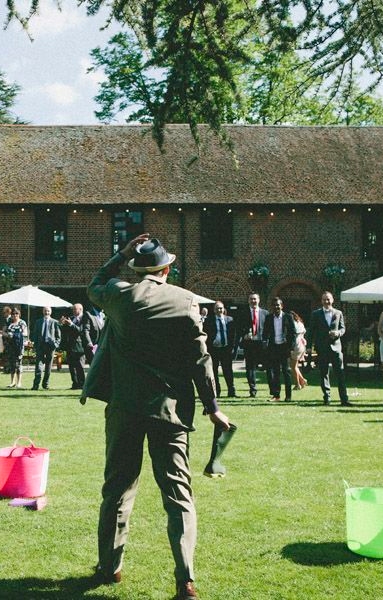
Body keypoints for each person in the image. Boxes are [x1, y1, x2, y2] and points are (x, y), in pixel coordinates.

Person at [81, 234, 230, 600]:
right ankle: (186, 580)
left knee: (117, 489)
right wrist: (212, 407)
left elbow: (94, 284)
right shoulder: (186, 302)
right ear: (168, 269)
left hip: (125, 407)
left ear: (136, 269)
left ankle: (110, 567)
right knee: (179, 496)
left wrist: (121, 252)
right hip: (170, 411)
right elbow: (201, 360)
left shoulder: (119, 296)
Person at [305, 291, 351, 406]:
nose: (326, 301)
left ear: (332, 300)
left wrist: (338, 333)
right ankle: (327, 398)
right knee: (324, 373)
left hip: (336, 348)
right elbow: (311, 331)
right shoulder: (316, 314)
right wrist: (309, 346)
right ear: (321, 301)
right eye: (324, 299)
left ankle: (344, 399)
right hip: (322, 348)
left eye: (328, 299)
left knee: (340, 373)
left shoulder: (338, 313)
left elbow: (343, 328)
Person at [263, 297, 296, 402]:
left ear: (282, 306)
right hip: (274, 348)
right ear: (272, 307)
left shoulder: (288, 317)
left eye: (278, 305)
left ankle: (288, 396)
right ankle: (276, 395)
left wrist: (291, 347)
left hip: (284, 348)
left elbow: (293, 333)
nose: (276, 307)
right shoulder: (269, 318)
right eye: (274, 305)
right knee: (276, 373)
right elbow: (265, 333)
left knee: (286, 372)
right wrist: (265, 343)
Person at [203, 301, 236, 398]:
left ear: (224, 309)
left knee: (228, 371)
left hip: (226, 349)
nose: (219, 310)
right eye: (217, 308)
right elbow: (206, 335)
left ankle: (231, 391)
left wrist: (232, 347)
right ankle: (217, 391)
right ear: (214, 310)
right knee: (214, 371)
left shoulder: (230, 320)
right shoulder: (209, 321)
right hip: (214, 350)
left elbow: (233, 335)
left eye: (221, 308)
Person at [241, 292, 271, 398]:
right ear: (248, 300)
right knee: (250, 368)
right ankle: (252, 390)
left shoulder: (265, 313)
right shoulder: (243, 313)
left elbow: (269, 329)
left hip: (262, 344)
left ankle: (273, 391)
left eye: (255, 299)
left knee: (268, 366)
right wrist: (243, 335)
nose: (253, 301)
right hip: (249, 344)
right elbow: (238, 328)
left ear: (259, 300)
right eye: (251, 299)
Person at [30, 306, 62, 390]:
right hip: (40, 346)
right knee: (38, 366)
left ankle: (45, 384)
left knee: (48, 367)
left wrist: (56, 344)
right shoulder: (38, 322)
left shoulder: (55, 322)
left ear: (50, 312)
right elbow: (35, 335)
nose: (46, 313)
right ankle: (35, 385)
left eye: (48, 311)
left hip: (50, 347)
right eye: (45, 311)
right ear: (43, 312)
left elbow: (58, 336)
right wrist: (34, 346)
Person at [60, 303, 87, 390]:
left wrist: (71, 324)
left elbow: (81, 331)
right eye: (73, 309)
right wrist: (61, 324)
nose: (74, 311)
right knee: (71, 367)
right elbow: (65, 331)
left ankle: (82, 384)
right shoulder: (71, 318)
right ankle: (75, 384)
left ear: (80, 309)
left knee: (80, 366)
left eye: (75, 309)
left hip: (80, 346)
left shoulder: (85, 319)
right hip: (70, 346)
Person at [3, 307, 28, 388]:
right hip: (10, 346)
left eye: (16, 313)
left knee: (19, 364)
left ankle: (19, 382)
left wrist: (15, 335)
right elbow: (3, 332)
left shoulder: (22, 323)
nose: (15, 315)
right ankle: (12, 382)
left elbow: (25, 333)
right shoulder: (9, 322)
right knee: (12, 364)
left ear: (19, 314)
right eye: (13, 314)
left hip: (19, 346)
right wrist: (7, 335)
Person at [289, 311, 308, 390]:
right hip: (302, 345)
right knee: (295, 366)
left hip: (296, 346)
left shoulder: (293, 324)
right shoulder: (300, 323)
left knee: (293, 366)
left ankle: (298, 384)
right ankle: (302, 380)